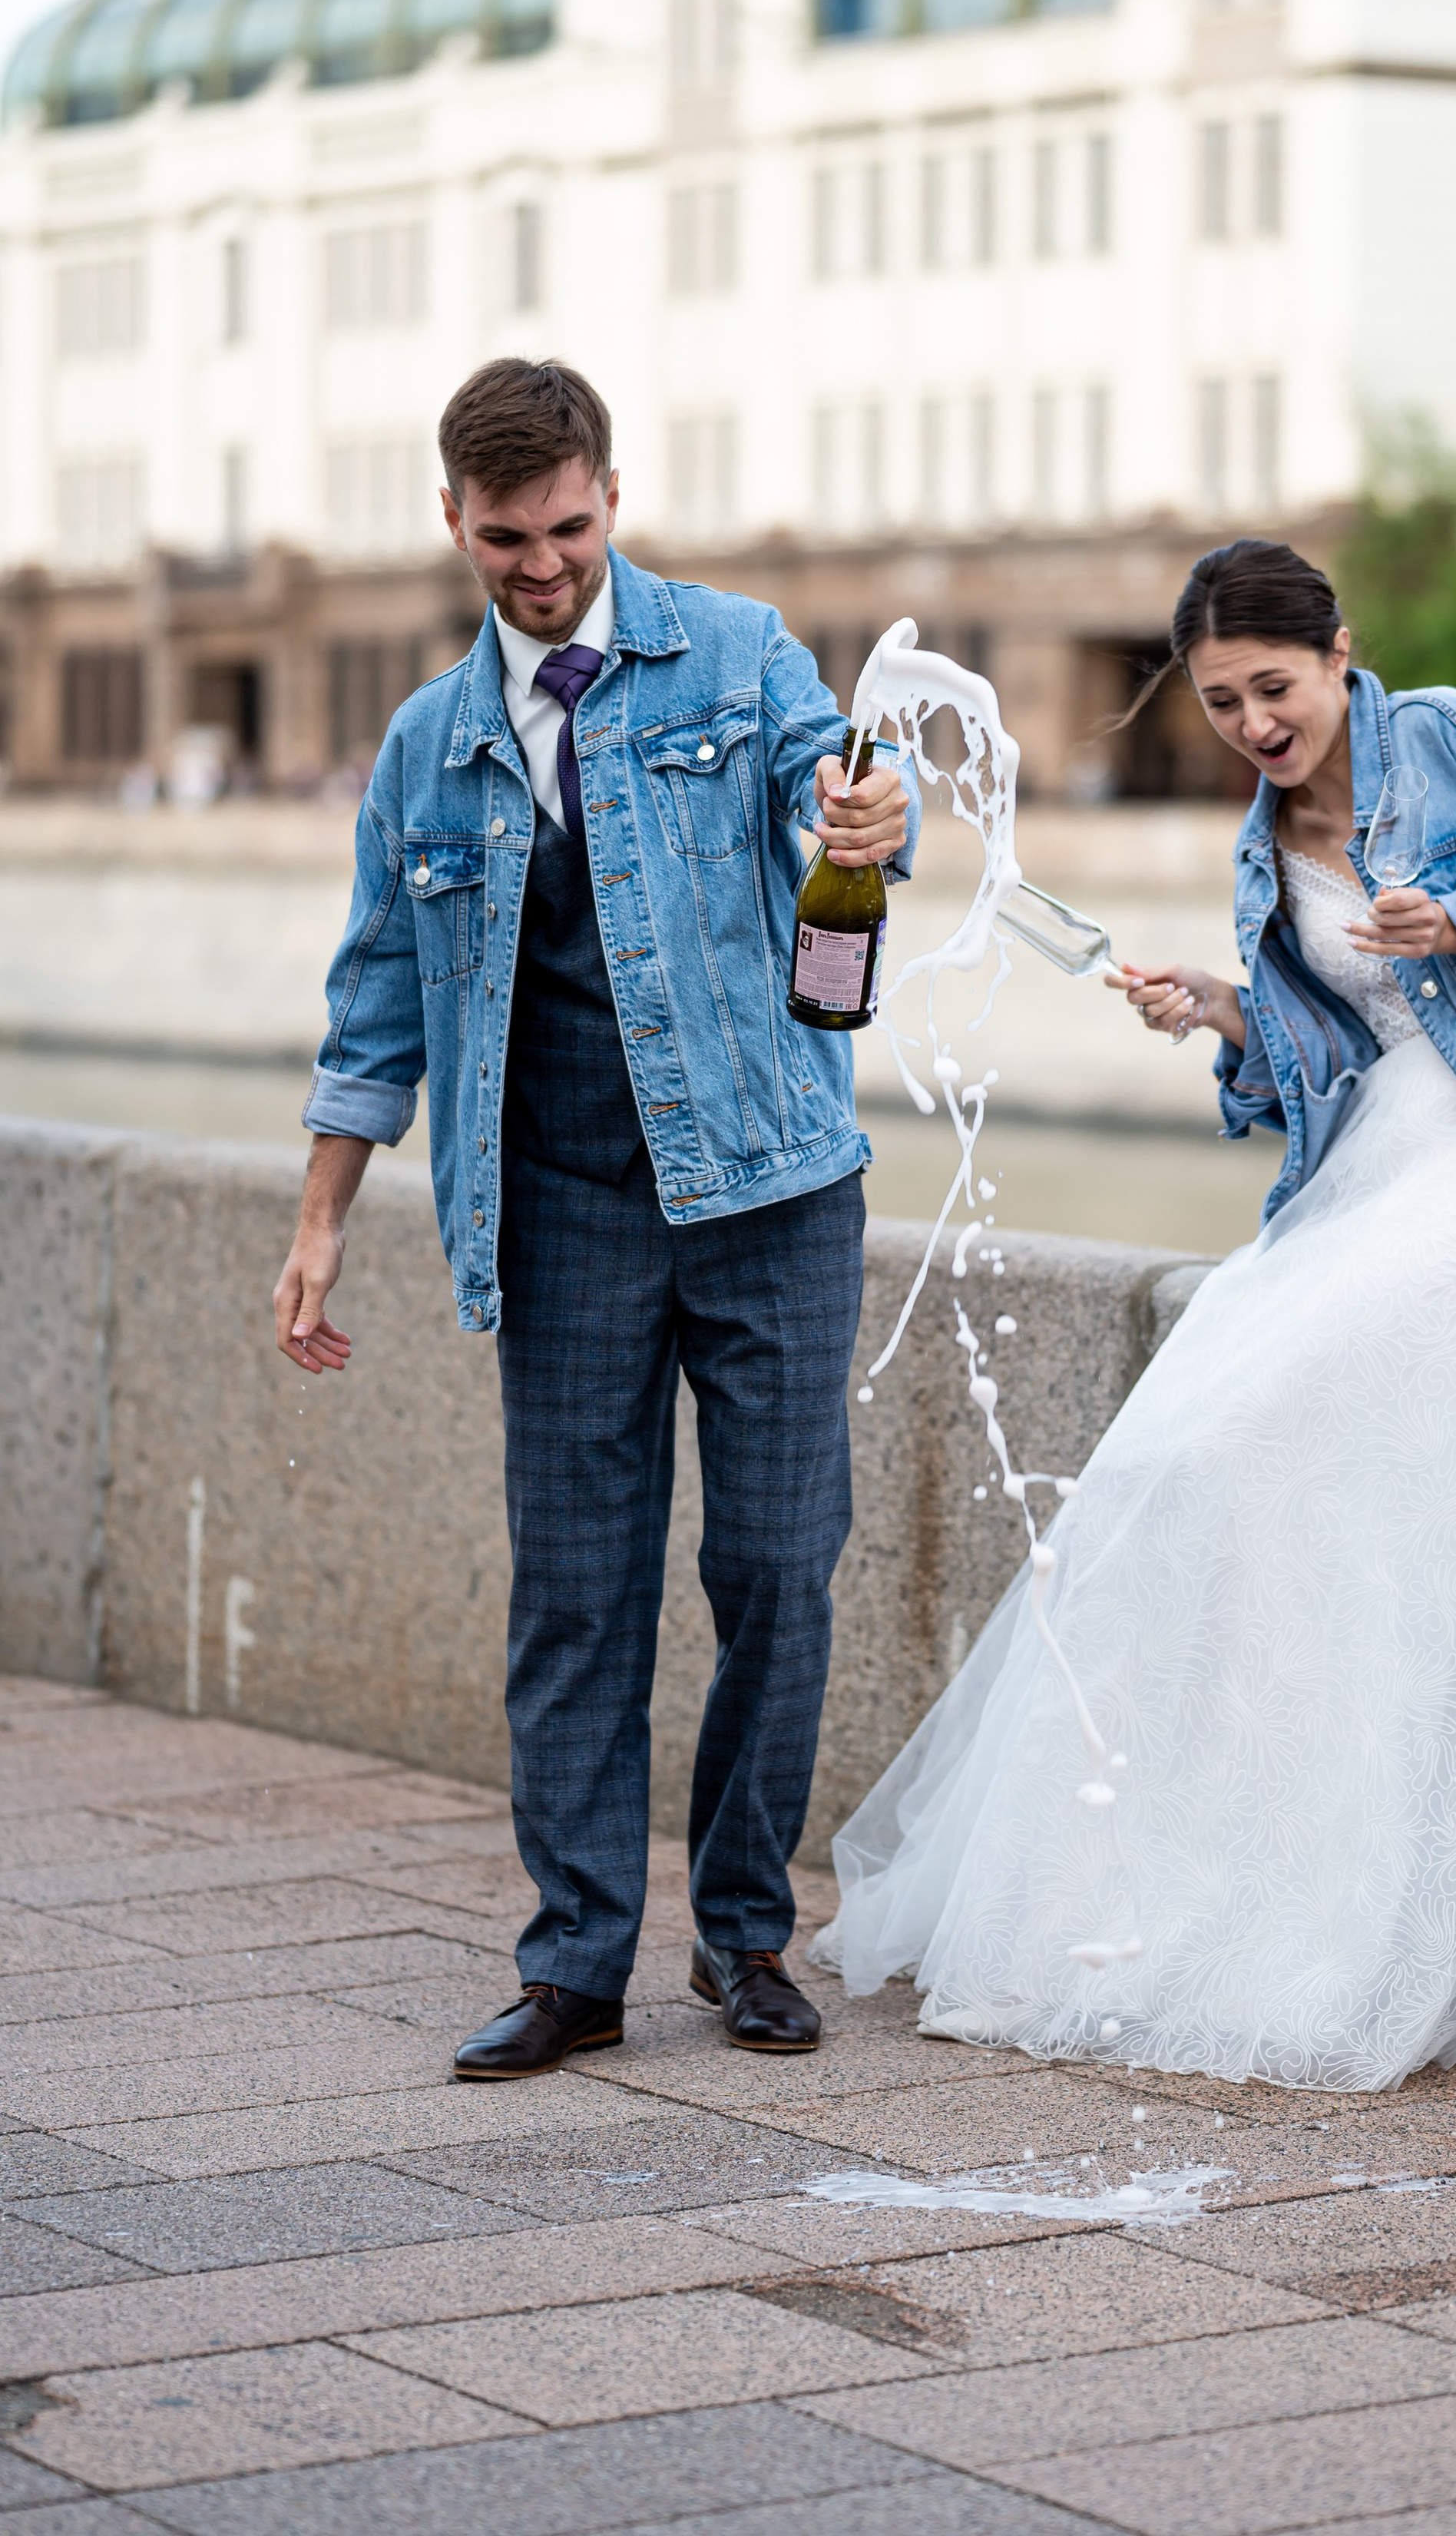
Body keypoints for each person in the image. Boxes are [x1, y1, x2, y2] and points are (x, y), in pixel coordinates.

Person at [812, 538, 1456, 2091]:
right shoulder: (1254, 838)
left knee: (1305, 1410)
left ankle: (1340, 1911)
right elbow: (1321, 1062)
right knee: (1188, 1448)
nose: (1252, 724)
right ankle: (1169, 1879)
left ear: (1338, 652)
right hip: (1384, 1159)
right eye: (1220, 702)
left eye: (1271, 689)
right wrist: (1223, 1015)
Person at [272, 358, 915, 2075]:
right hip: (558, 1213)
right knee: (576, 1594)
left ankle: (745, 1934)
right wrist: (325, 1215)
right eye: (505, 538)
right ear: (454, 522)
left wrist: (867, 813)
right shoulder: (427, 744)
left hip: (771, 1188)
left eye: (565, 529)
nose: (539, 564)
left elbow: (825, 795)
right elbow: (377, 1001)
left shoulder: (737, 649)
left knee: (776, 1569)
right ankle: (574, 1965)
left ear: (609, 499)